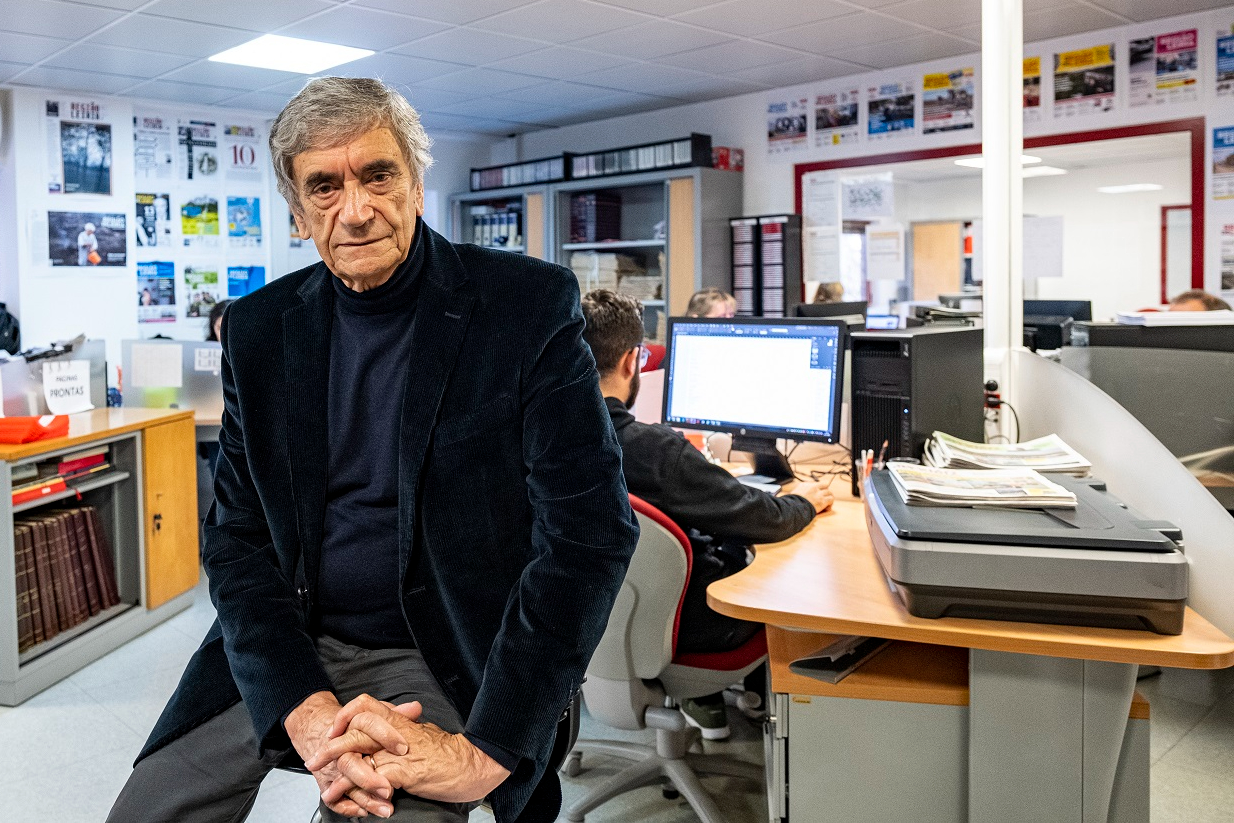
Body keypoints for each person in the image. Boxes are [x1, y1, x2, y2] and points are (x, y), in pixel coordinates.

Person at [107, 77, 638, 823]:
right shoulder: (259, 333)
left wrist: (484, 748)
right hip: (290, 640)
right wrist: (301, 703)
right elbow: (235, 539)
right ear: (297, 212)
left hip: (448, 649)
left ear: (416, 184)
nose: (354, 210)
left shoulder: (524, 309)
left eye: (377, 174)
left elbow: (588, 535)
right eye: (323, 186)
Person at [580, 289, 834, 740]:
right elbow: (767, 521)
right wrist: (806, 502)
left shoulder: (532, 438)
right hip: (684, 631)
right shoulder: (654, 451)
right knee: (782, 582)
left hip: (574, 626)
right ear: (631, 362)